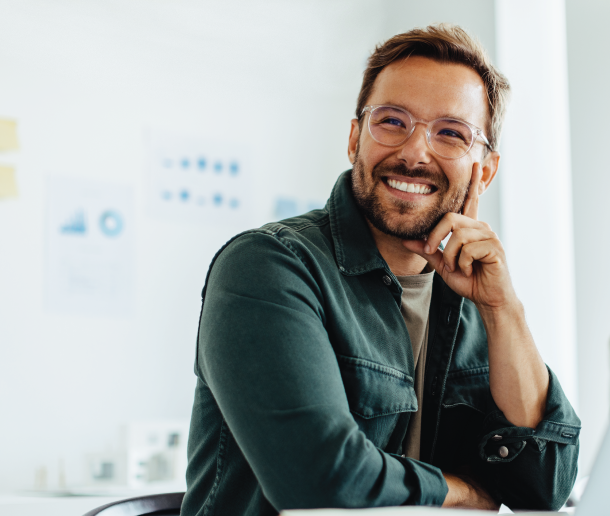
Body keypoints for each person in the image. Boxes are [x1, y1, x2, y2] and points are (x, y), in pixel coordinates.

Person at [181, 24, 579, 515]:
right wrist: (468, 493)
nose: (414, 152)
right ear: (355, 140)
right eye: (392, 122)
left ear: (485, 171)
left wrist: (503, 309)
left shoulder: (475, 298)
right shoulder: (267, 267)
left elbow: (546, 487)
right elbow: (321, 482)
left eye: (450, 133)